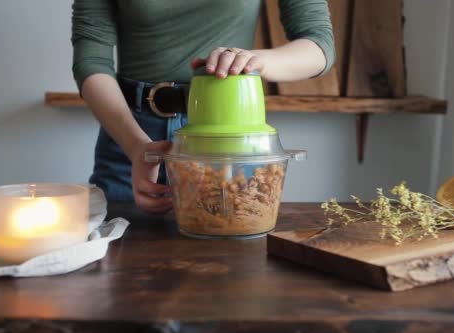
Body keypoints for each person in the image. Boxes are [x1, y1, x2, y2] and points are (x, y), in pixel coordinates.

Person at [71, 0, 335, 214]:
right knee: (115, 266)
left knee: (232, 268)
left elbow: (318, 45)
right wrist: (136, 147)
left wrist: (256, 60)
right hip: (129, 134)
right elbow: (91, 60)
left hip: (225, 135)